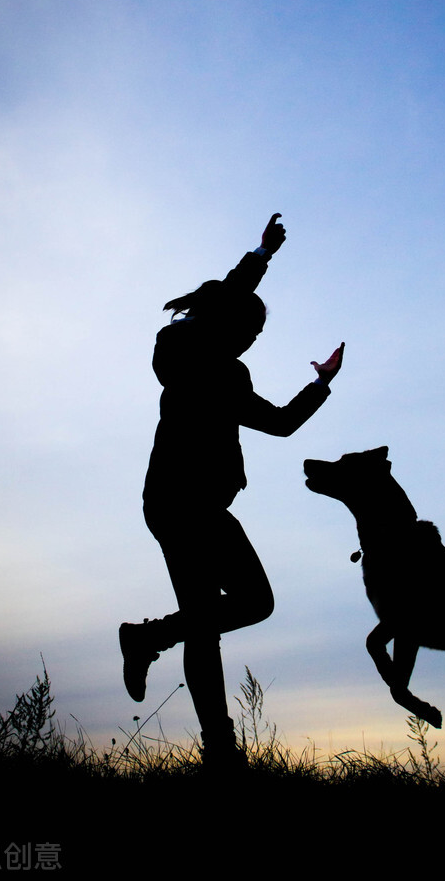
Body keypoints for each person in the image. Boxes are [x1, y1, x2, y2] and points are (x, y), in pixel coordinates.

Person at [119, 213, 344, 765]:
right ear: (225, 321)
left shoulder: (231, 374)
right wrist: (258, 261)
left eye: (258, 334)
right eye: (251, 329)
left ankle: (162, 657)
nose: (253, 338)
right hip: (176, 501)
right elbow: (221, 305)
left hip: (202, 506)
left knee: (228, 611)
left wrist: (321, 383)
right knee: (229, 612)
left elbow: (284, 422)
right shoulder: (177, 346)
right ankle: (206, 726)